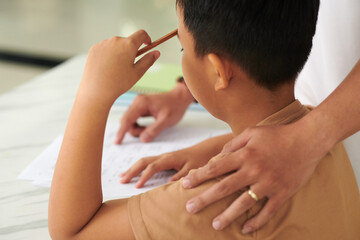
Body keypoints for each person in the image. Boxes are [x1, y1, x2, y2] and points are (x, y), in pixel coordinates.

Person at [48, 0, 360, 239]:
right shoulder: (332, 148)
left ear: (218, 71)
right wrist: (218, 147)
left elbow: (74, 232)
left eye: (182, 46)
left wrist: (92, 93)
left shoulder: (213, 200)